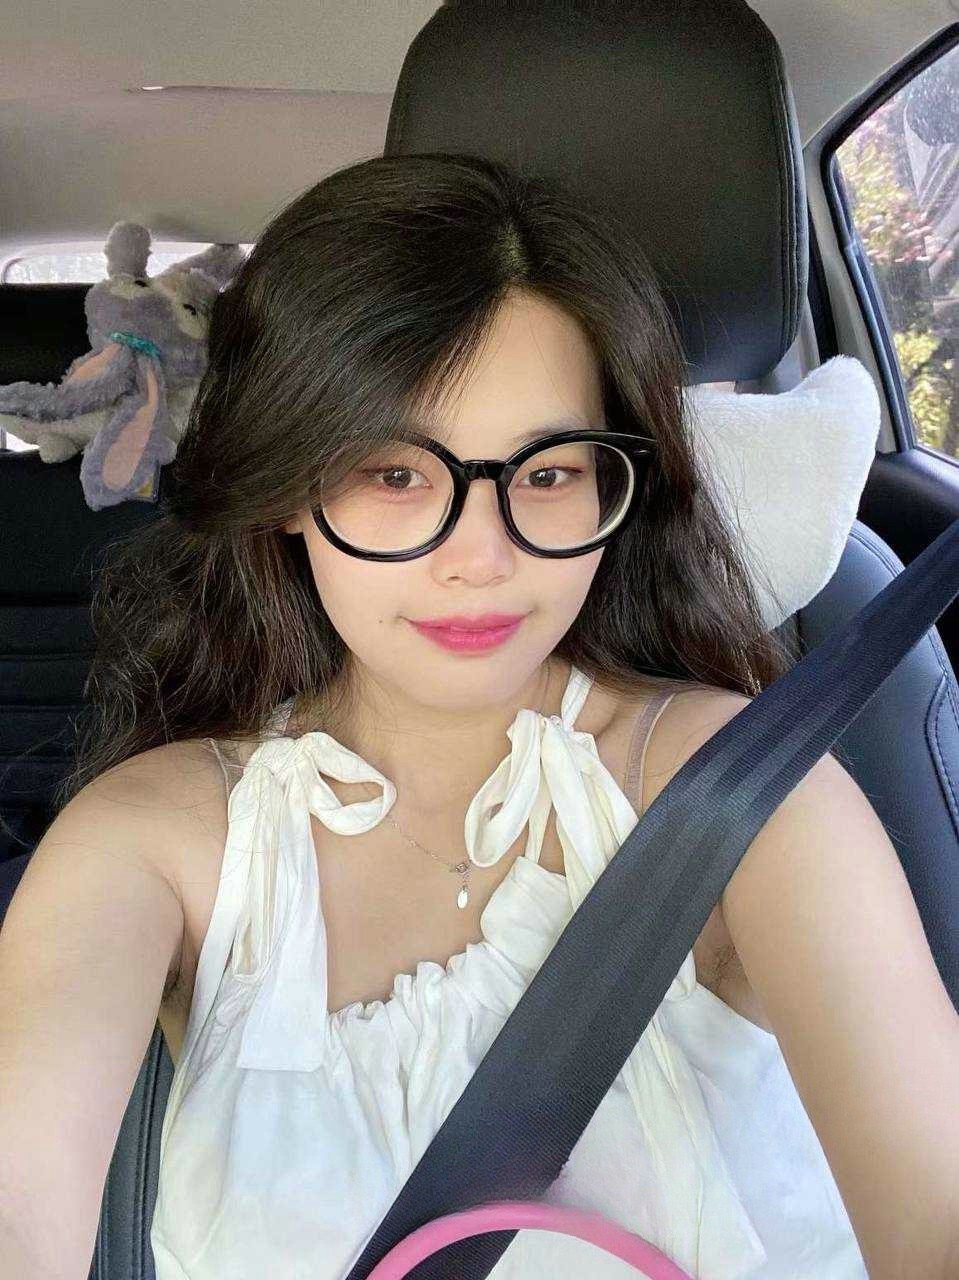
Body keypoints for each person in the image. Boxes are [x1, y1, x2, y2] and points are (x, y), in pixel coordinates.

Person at [1, 152, 957, 1280]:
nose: (481, 559)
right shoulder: (146, 845)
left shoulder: (746, 799)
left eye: (546, 473)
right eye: (393, 473)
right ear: (286, 490)